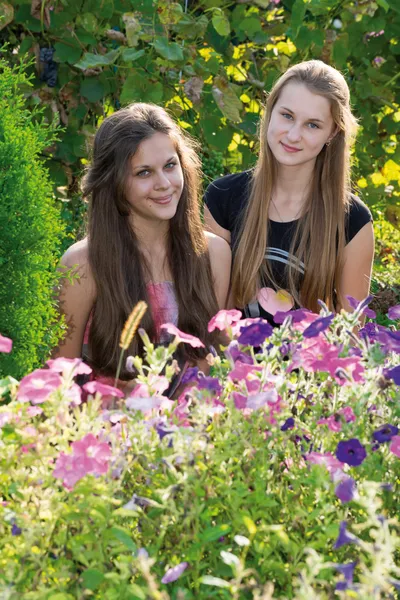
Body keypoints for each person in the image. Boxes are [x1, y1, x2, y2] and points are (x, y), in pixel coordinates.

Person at [55, 103, 231, 386]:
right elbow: (60, 383)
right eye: (144, 173)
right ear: (114, 182)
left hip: (191, 425)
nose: (164, 183)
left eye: (170, 166)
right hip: (109, 426)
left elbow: (204, 365)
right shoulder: (82, 265)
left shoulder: (213, 254)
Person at [204, 60, 374, 324]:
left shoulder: (353, 221)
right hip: (232, 360)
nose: (293, 135)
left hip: (311, 364)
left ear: (333, 133)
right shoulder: (222, 198)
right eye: (287, 116)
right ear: (270, 112)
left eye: (313, 125)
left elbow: (350, 332)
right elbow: (213, 318)